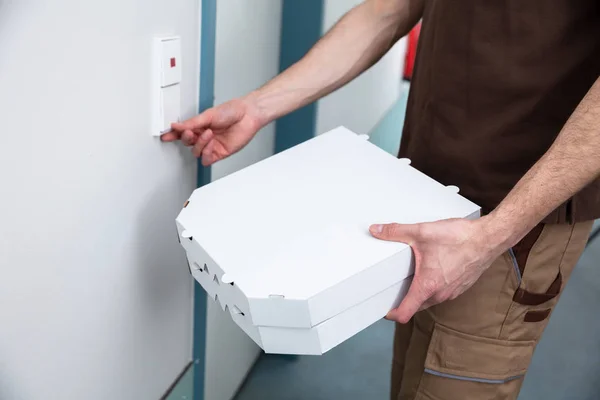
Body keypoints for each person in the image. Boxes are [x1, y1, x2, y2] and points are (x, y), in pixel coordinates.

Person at [162, 0, 600, 398]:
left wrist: (489, 238)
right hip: (423, 186)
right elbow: (389, 9)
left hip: (512, 221)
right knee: (411, 380)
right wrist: (259, 106)